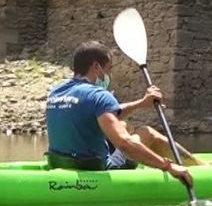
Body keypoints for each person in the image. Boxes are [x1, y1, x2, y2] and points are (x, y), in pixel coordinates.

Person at [45, 41, 197, 187]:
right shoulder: (98, 95)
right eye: (109, 69)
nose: (110, 74)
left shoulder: (57, 91)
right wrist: (167, 167)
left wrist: (141, 103)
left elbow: (99, 113)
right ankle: (204, 167)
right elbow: (124, 144)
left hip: (60, 162)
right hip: (96, 169)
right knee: (146, 132)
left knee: (124, 125)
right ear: (96, 67)